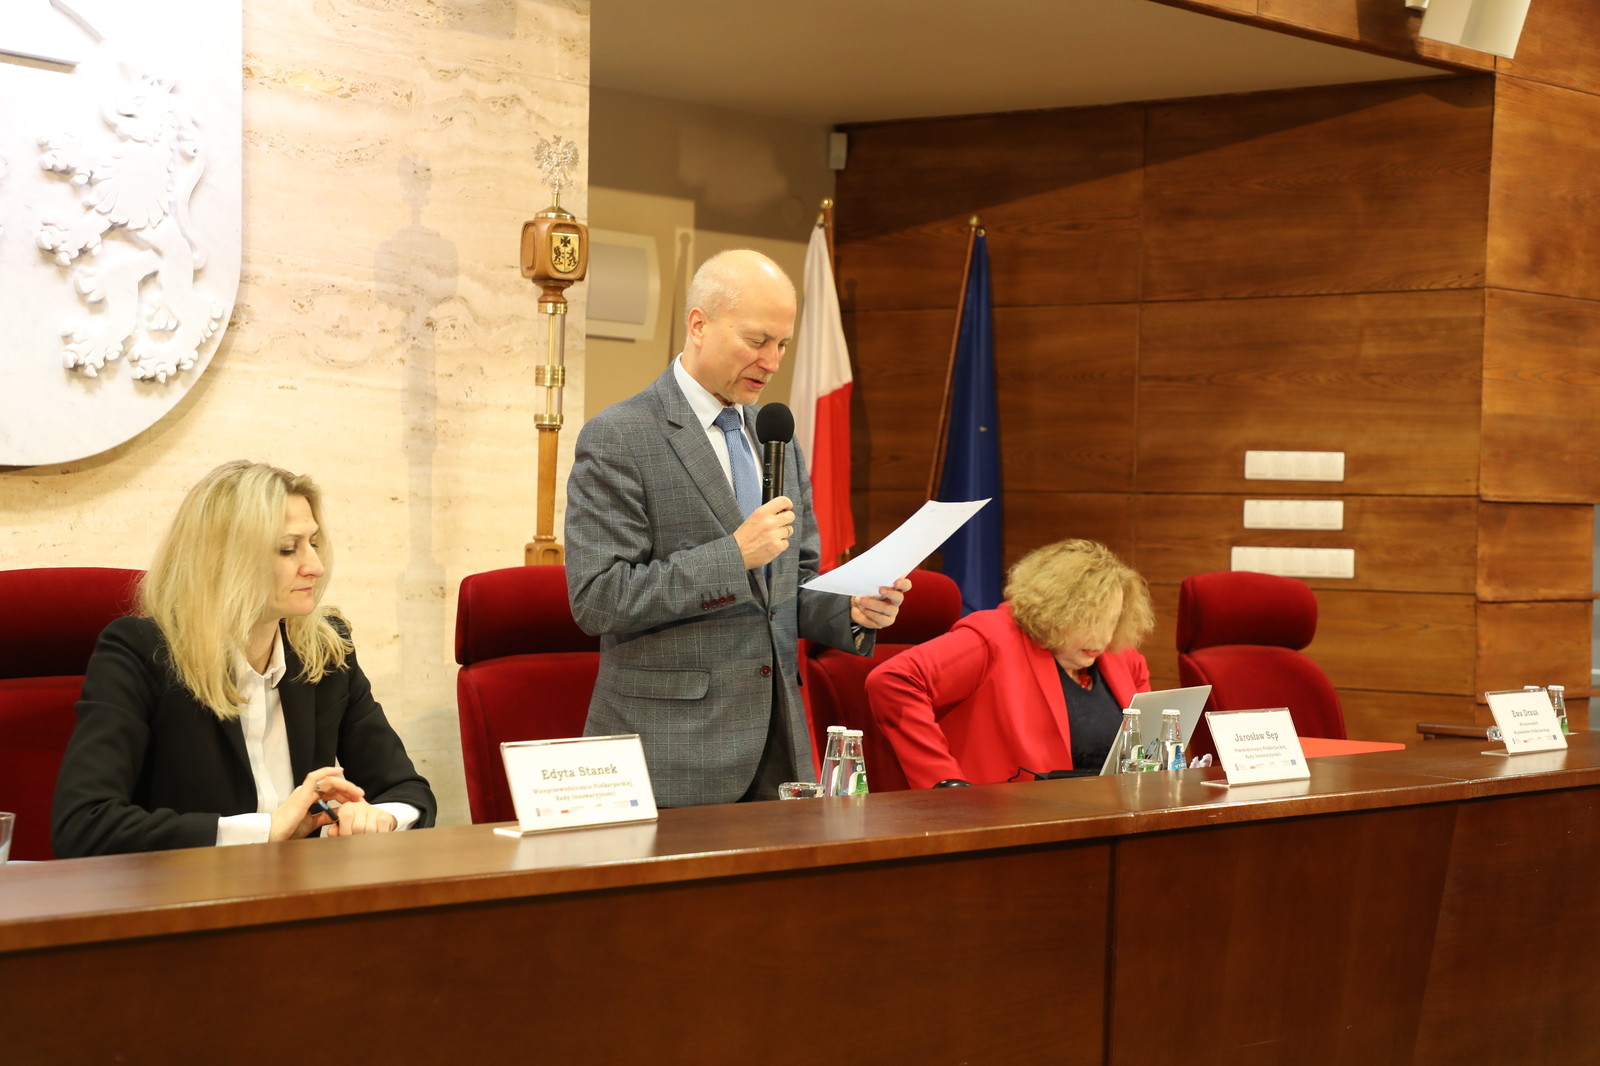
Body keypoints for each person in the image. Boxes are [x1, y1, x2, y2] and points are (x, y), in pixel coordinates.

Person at [565, 249, 909, 806]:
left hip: (779, 747)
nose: (772, 362)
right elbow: (599, 599)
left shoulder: (777, 436)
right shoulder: (619, 437)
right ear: (699, 324)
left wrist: (850, 609)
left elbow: (787, 588)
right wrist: (733, 555)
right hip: (670, 757)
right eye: (757, 340)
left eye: (783, 345)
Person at [52, 460, 436, 857]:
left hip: (306, 888)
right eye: (288, 549)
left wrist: (379, 817)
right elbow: (84, 826)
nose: (315, 567)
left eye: (314, 543)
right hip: (190, 890)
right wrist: (265, 830)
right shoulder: (141, 652)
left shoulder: (326, 649)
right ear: (222, 559)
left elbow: (406, 790)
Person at [865, 539, 1154, 789]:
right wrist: (944, 782)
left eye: (1112, 621)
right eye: (1089, 621)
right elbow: (893, 680)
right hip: (1009, 816)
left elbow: (1150, 749)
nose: (1103, 638)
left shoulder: (1123, 658)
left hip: (1111, 815)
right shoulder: (994, 639)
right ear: (1054, 611)